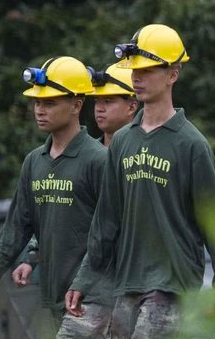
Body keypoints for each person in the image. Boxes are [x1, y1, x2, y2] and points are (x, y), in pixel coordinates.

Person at [67, 24, 215, 339]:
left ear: (172, 74)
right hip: (127, 285)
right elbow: (106, 220)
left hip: (171, 287)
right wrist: (84, 277)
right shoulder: (123, 142)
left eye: (147, 71)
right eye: (134, 71)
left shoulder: (192, 144)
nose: (137, 78)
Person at [0, 56, 113, 339]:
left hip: (95, 300)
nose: (39, 109)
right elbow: (17, 226)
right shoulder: (35, 161)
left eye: (49, 102)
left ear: (77, 105)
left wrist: (83, 282)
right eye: (36, 102)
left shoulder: (97, 161)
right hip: (58, 298)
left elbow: (110, 230)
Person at [10, 63, 139, 305]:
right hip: (85, 289)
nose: (99, 109)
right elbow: (64, 217)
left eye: (109, 101)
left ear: (133, 105)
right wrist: (32, 256)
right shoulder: (88, 157)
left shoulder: (143, 160)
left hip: (127, 285)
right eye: (97, 101)